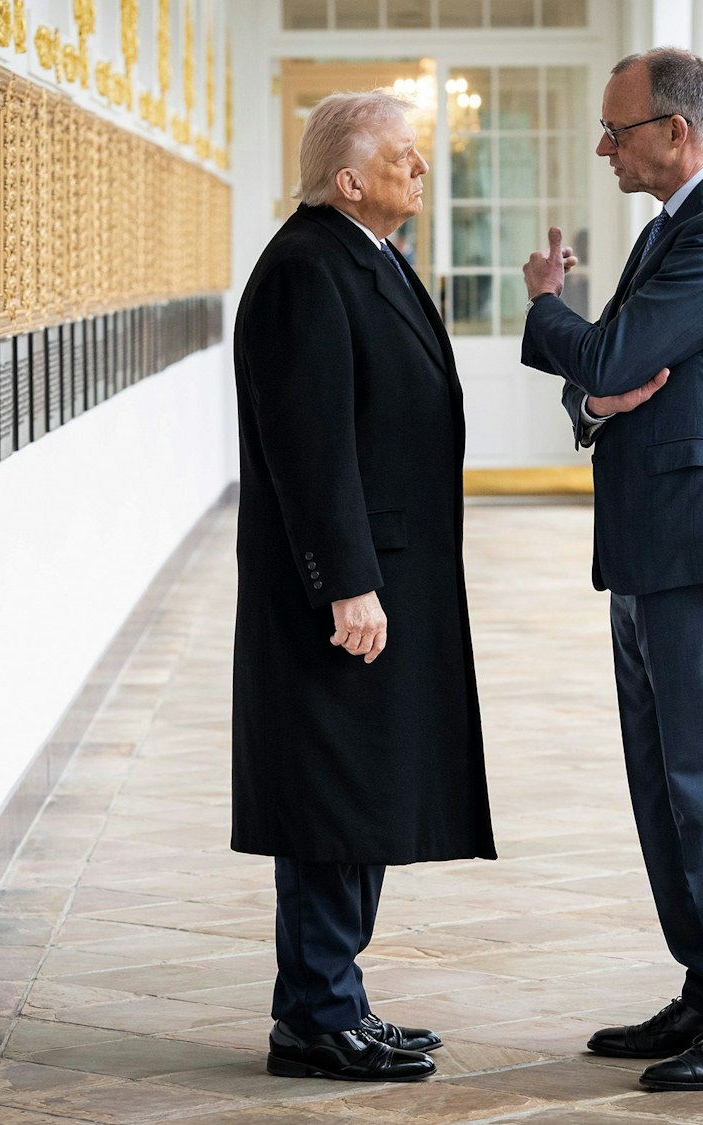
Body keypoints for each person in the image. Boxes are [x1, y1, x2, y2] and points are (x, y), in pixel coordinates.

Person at [518, 47, 703, 1092]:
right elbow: (604, 384)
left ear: (675, 131)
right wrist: (593, 394)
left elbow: (604, 356)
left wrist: (548, 306)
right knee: (661, 783)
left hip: (702, 541)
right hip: (651, 541)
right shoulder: (673, 227)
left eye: (617, 130)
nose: (604, 147)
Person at [230, 90, 495, 1084]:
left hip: (389, 575)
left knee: (362, 791)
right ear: (348, 179)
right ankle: (312, 1017)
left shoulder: (364, 256)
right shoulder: (306, 268)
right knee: (330, 796)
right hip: (343, 593)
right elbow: (311, 448)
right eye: (403, 156)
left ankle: (335, 998)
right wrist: (346, 584)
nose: (421, 168)